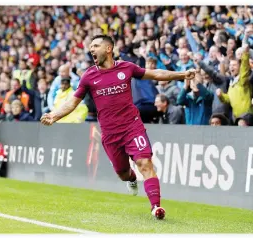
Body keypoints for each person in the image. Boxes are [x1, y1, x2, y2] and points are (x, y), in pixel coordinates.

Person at [41, 35, 196, 220]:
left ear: (108, 49)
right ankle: (131, 179)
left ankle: (156, 207)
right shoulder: (89, 76)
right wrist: (54, 115)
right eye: (90, 47)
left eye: (95, 46)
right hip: (110, 134)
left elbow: (155, 74)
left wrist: (182, 75)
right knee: (123, 173)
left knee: (145, 163)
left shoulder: (127, 67)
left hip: (132, 127)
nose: (91, 49)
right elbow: (72, 102)